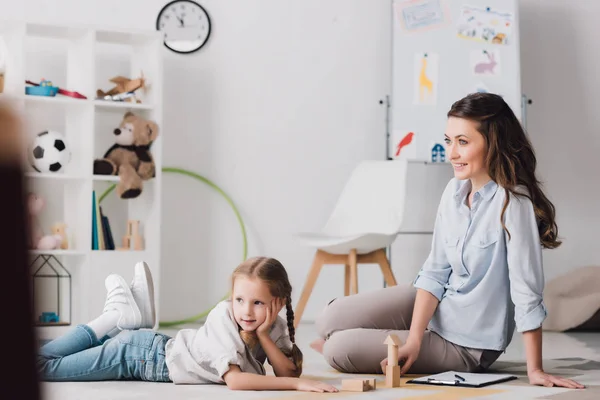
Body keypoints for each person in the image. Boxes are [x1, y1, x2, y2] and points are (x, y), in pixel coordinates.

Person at [311, 92, 584, 390]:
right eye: (448, 140)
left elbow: (526, 290)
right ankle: (379, 339)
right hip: (439, 306)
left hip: (467, 343)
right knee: (328, 318)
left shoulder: (513, 204)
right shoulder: (453, 192)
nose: (451, 153)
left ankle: (345, 346)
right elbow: (435, 271)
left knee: (338, 348)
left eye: (463, 142)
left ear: (493, 144)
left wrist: (536, 370)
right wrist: (414, 339)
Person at [38, 258, 338, 393]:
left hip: (149, 348)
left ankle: (120, 317)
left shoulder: (270, 325)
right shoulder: (224, 315)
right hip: (138, 357)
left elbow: (286, 368)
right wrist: (296, 384)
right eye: (239, 299)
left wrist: (264, 334)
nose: (246, 311)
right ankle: (114, 317)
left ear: (277, 301)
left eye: (258, 303)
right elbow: (236, 381)